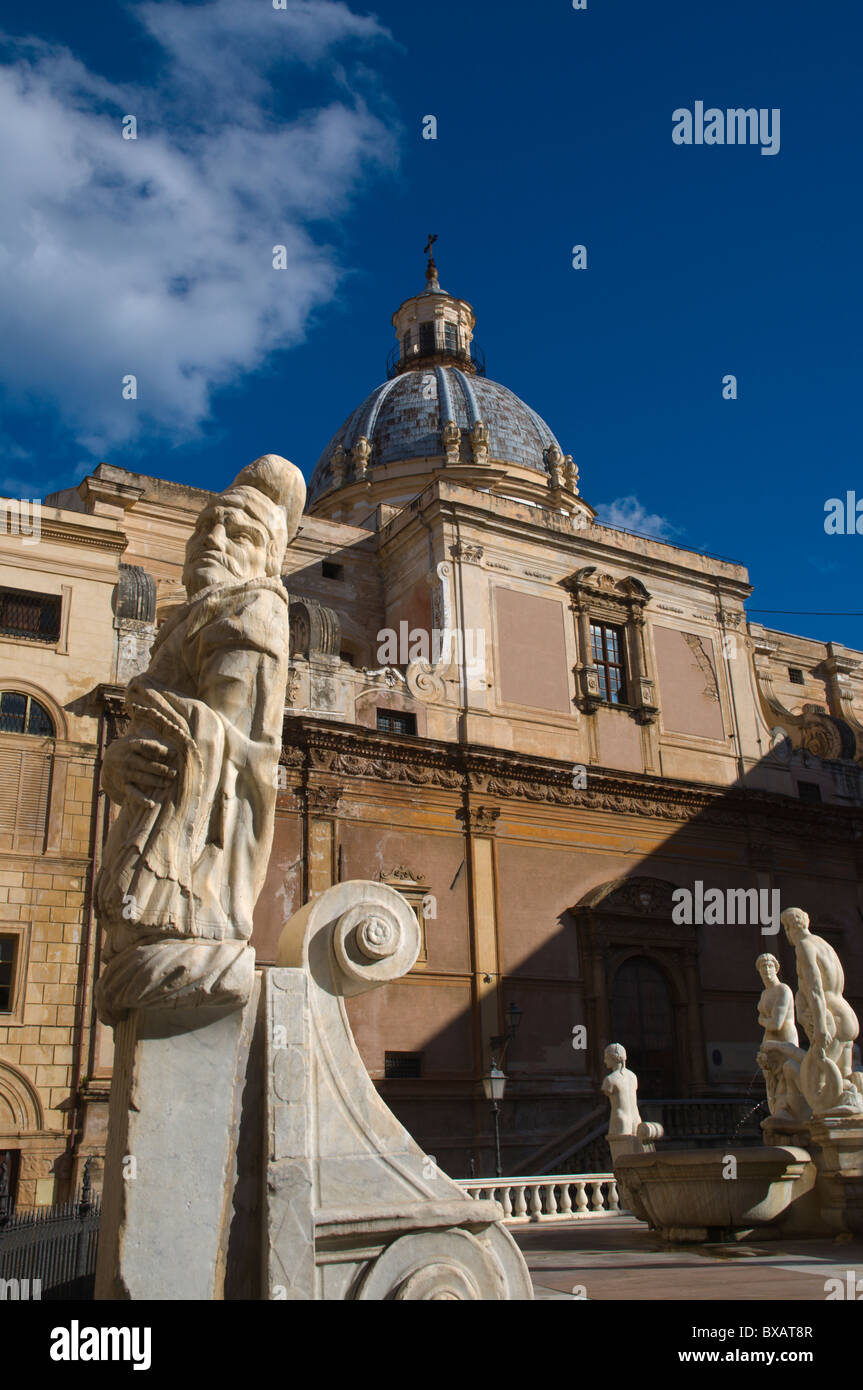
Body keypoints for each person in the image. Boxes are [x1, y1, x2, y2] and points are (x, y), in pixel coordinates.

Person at [95, 454, 305, 1024]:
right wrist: (119, 763)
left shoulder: (255, 607)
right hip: (162, 839)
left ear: (270, 557)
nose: (214, 538)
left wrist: (160, 724)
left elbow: (239, 744)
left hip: (194, 873)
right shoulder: (194, 617)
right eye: (205, 527)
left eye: (239, 532)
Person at [781, 907, 863, 1115]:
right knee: (845, 1080)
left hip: (829, 1017)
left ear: (788, 927)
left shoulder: (804, 946)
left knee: (821, 1090)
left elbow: (815, 990)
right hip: (846, 1014)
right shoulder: (825, 945)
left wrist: (820, 1028)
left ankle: (829, 1142)